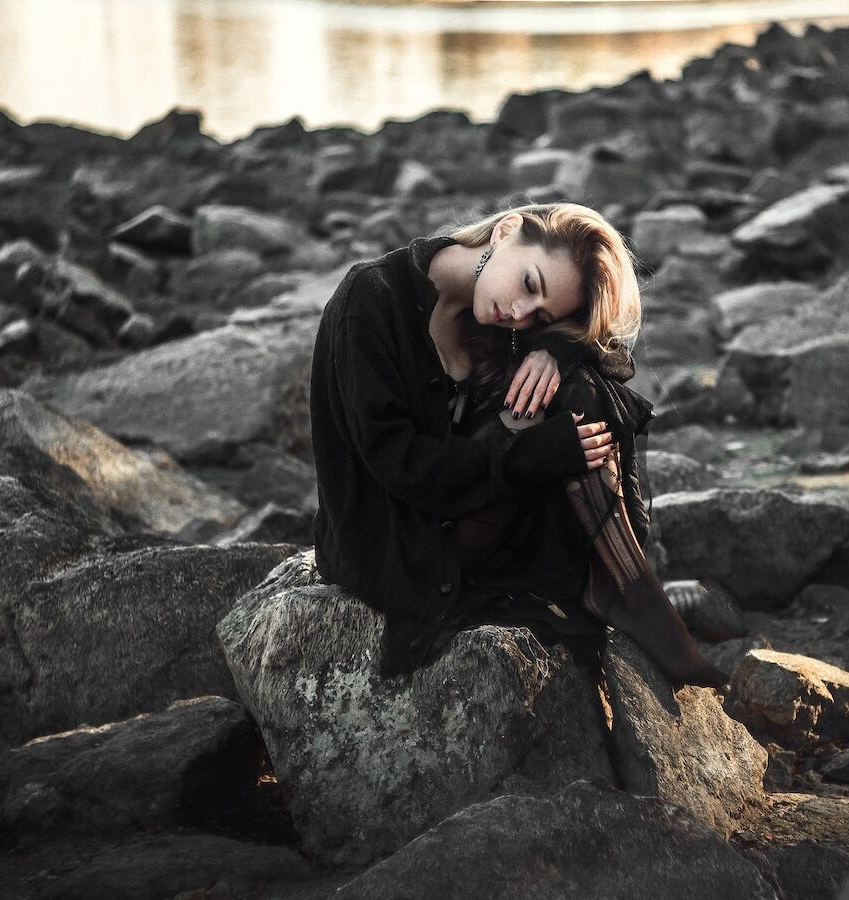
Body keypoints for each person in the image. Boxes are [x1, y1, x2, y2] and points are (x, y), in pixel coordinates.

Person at [310, 201, 727, 690]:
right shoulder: (373, 297)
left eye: (541, 314)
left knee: (583, 390)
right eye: (530, 284)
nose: (519, 313)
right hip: (395, 536)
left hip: (463, 507)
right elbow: (399, 465)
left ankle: (623, 580)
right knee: (574, 412)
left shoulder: (504, 321)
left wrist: (558, 347)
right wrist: (530, 457)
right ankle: (625, 588)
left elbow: (614, 357)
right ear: (507, 230)